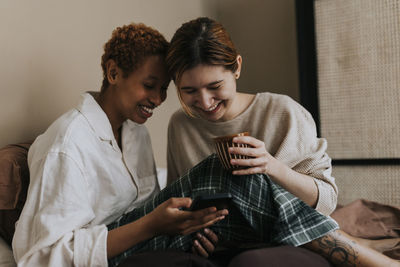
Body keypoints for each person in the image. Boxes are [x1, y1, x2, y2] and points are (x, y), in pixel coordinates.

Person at [165, 17, 400, 266]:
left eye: (215, 86)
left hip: (293, 238)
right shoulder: (180, 125)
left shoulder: (283, 112)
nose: (204, 102)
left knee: (253, 262)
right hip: (226, 242)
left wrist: (271, 166)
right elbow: (180, 202)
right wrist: (199, 232)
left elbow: (327, 201)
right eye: (189, 91)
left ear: (237, 68)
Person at [12, 22, 227, 267]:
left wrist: (188, 230)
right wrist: (150, 225)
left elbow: (150, 208)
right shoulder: (67, 145)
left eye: (163, 88)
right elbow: (41, 258)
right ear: (113, 73)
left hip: (148, 247)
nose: (158, 99)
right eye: (148, 85)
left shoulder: (137, 134)